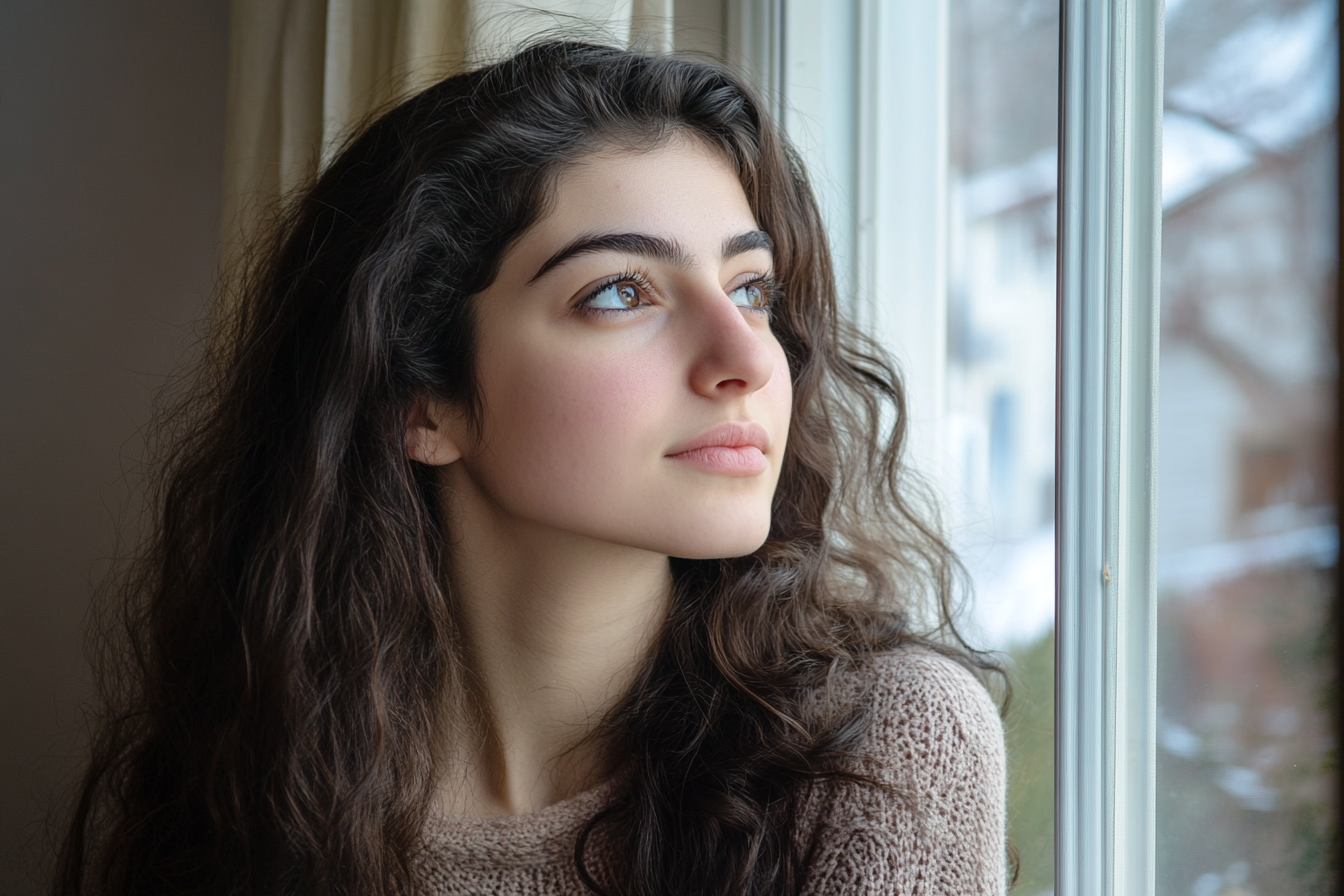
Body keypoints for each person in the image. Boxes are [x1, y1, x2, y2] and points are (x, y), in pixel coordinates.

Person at [53, 41, 1007, 896]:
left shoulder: (884, 753)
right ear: (420, 403)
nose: (751, 358)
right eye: (622, 292)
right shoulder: (253, 788)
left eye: (751, 289)